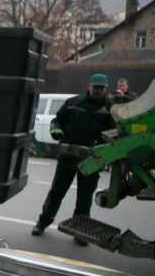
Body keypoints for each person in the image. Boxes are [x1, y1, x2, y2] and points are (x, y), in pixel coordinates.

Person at [31, 73, 116, 245]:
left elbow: (113, 132)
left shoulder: (109, 109)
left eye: (102, 88)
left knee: (84, 197)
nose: (98, 91)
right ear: (89, 86)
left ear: (106, 88)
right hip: (69, 156)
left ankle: (79, 232)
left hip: (91, 160)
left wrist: (105, 145)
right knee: (57, 192)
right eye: (95, 87)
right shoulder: (73, 103)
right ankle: (42, 222)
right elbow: (57, 120)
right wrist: (56, 130)